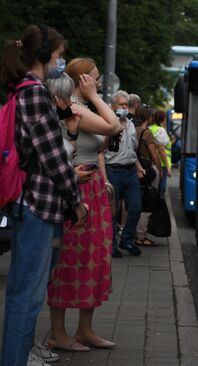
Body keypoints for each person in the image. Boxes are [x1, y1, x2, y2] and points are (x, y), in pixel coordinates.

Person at [0, 24, 87, 366]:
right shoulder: (35, 93)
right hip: (38, 204)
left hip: (28, 201)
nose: (61, 62)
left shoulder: (20, 90)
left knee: (22, 293)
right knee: (28, 296)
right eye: (59, 55)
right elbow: (52, 155)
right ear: (43, 56)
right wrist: (76, 200)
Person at [46, 57, 121, 353]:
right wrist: (92, 96)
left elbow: (98, 149)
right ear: (82, 81)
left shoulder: (85, 108)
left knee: (95, 262)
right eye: (94, 78)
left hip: (93, 191)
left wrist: (103, 179)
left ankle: (85, 329)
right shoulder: (74, 108)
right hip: (76, 191)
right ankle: (58, 333)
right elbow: (113, 126)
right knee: (69, 264)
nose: (99, 83)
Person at [102, 90, 145, 258]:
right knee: (112, 212)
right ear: (113, 106)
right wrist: (104, 176)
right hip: (113, 170)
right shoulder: (107, 123)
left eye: (126, 105)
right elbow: (100, 150)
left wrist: (138, 166)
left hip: (130, 171)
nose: (125, 108)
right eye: (121, 105)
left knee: (136, 207)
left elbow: (131, 150)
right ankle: (111, 245)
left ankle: (126, 240)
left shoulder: (131, 124)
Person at [135, 105, 163, 246]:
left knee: (138, 201)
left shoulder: (133, 130)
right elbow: (154, 155)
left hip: (135, 169)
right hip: (148, 171)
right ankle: (141, 235)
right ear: (149, 117)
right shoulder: (147, 133)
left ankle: (133, 232)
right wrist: (160, 169)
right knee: (149, 200)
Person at [149, 110, 172, 192]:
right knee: (161, 189)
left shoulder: (150, 128)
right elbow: (162, 150)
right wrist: (168, 167)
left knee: (153, 188)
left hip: (152, 163)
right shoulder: (160, 130)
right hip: (161, 164)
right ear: (163, 119)